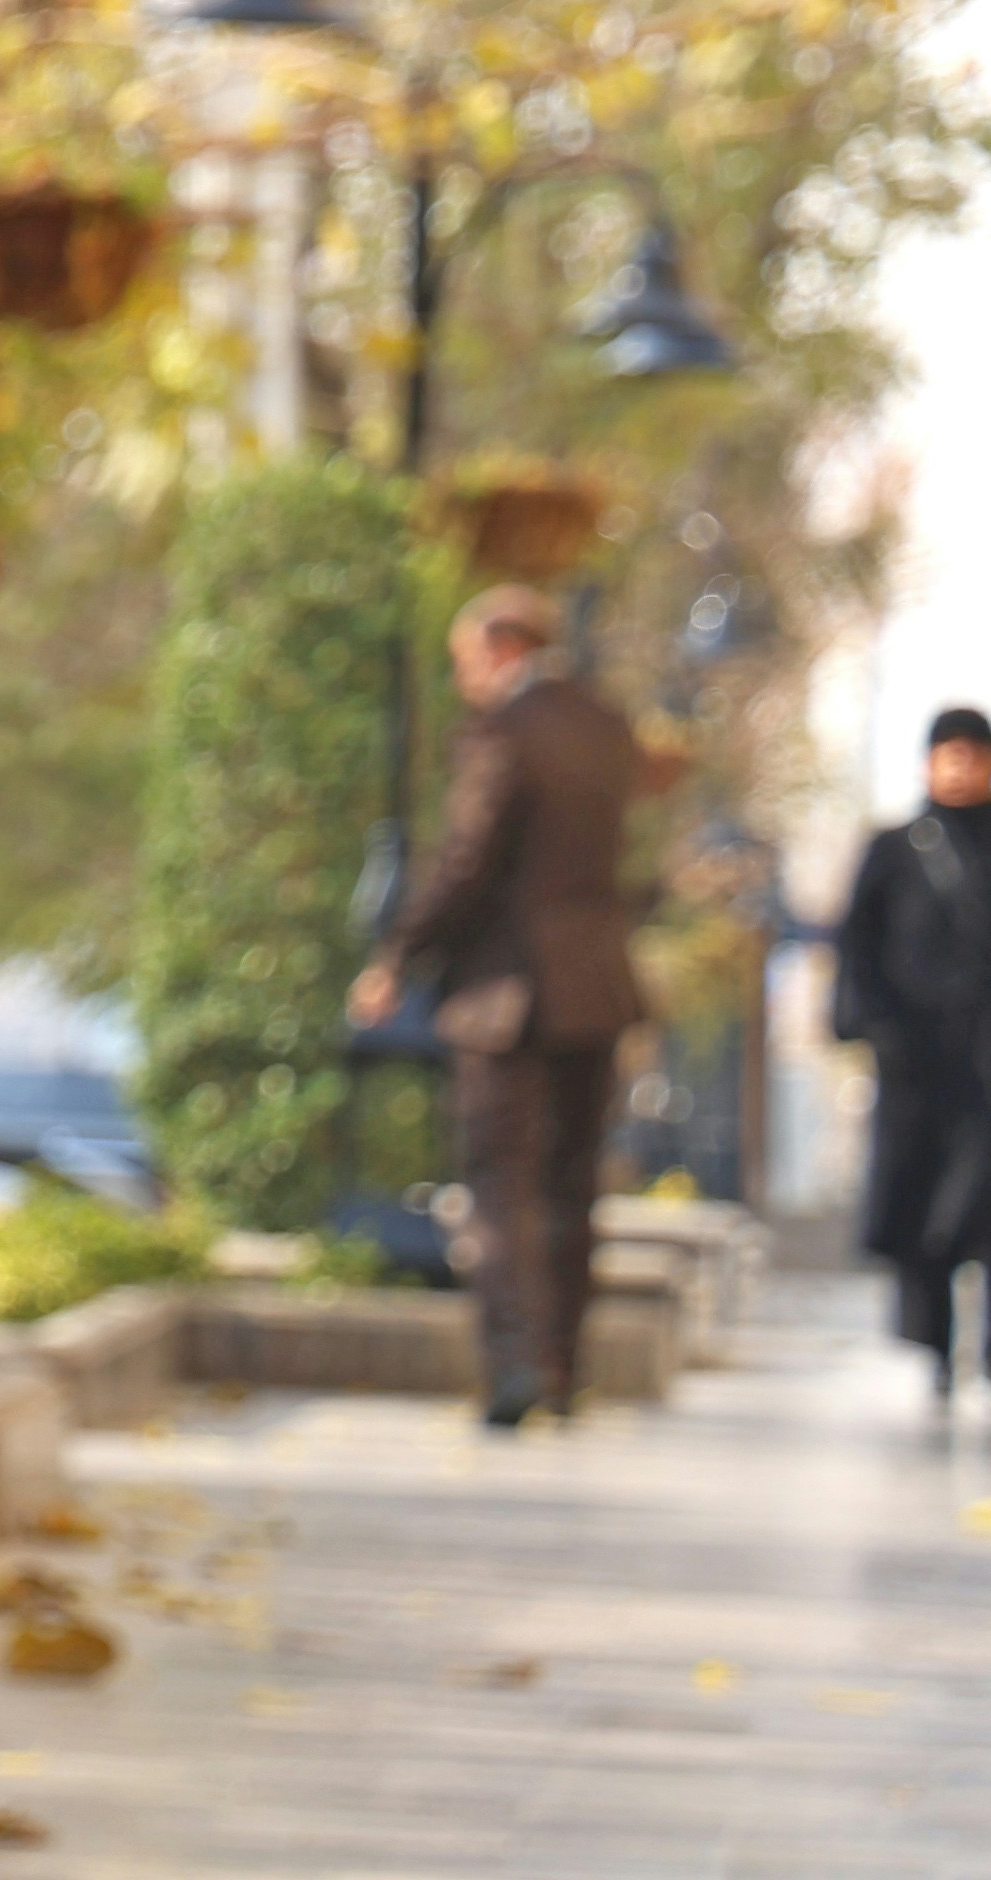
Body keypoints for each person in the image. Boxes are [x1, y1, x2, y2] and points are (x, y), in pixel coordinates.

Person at [355, 583, 644, 1429]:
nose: (466, 682)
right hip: (596, 983)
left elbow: (467, 858)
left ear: (502, 646)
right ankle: (563, 1366)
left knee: (498, 1182)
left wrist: (398, 957)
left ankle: (513, 1364)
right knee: (572, 1182)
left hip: (507, 990)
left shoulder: (505, 732)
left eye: (466, 663)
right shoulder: (606, 727)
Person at [830, 706, 991, 1406]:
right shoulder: (895, 848)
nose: (961, 768)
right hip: (919, 1062)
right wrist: (873, 1024)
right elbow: (857, 944)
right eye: (949, 754)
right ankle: (937, 1346)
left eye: (974, 755)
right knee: (924, 1212)